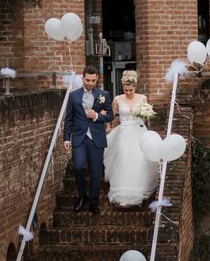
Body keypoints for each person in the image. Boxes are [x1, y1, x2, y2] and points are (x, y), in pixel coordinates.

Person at [104, 70, 159, 207]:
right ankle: (123, 194)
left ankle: (138, 192)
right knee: (123, 160)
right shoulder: (117, 99)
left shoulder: (142, 98)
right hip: (123, 132)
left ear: (135, 87)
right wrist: (108, 127)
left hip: (138, 131)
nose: (128, 92)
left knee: (139, 160)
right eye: (126, 89)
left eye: (131, 89)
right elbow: (111, 116)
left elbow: (146, 117)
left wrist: (147, 115)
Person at [64, 66, 111, 214]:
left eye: (93, 80)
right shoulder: (73, 96)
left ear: (97, 78)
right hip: (79, 137)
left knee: (96, 172)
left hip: (96, 137)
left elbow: (110, 115)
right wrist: (66, 138)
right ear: (83, 78)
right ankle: (81, 195)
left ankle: (93, 202)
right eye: (87, 80)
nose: (90, 83)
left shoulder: (104, 94)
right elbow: (69, 119)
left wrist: (97, 116)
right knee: (78, 167)